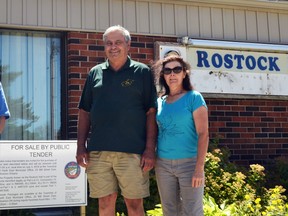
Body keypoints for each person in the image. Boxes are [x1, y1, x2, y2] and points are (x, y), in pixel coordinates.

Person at [76, 25, 157, 216]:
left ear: (128, 45)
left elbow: (151, 112)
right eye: (109, 43)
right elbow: (84, 111)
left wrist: (149, 148)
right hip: (98, 151)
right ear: (104, 46)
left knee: (134, 204)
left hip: (133, 152)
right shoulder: (94, 73)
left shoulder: (142, 72)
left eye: (118, 42)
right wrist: (81, 146)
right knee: (104, 203)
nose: (113, 47)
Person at [153, 54, 209, 216]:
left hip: (189, 165)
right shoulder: (160, 102)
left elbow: (203, 134)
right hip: (163, 164)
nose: (172, 74)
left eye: (177, 70)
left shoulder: (194, 98)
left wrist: (199, 167)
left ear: (184, 73)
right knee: (169, 211)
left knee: (192, 211)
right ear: (163, 75)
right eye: (167, 71)